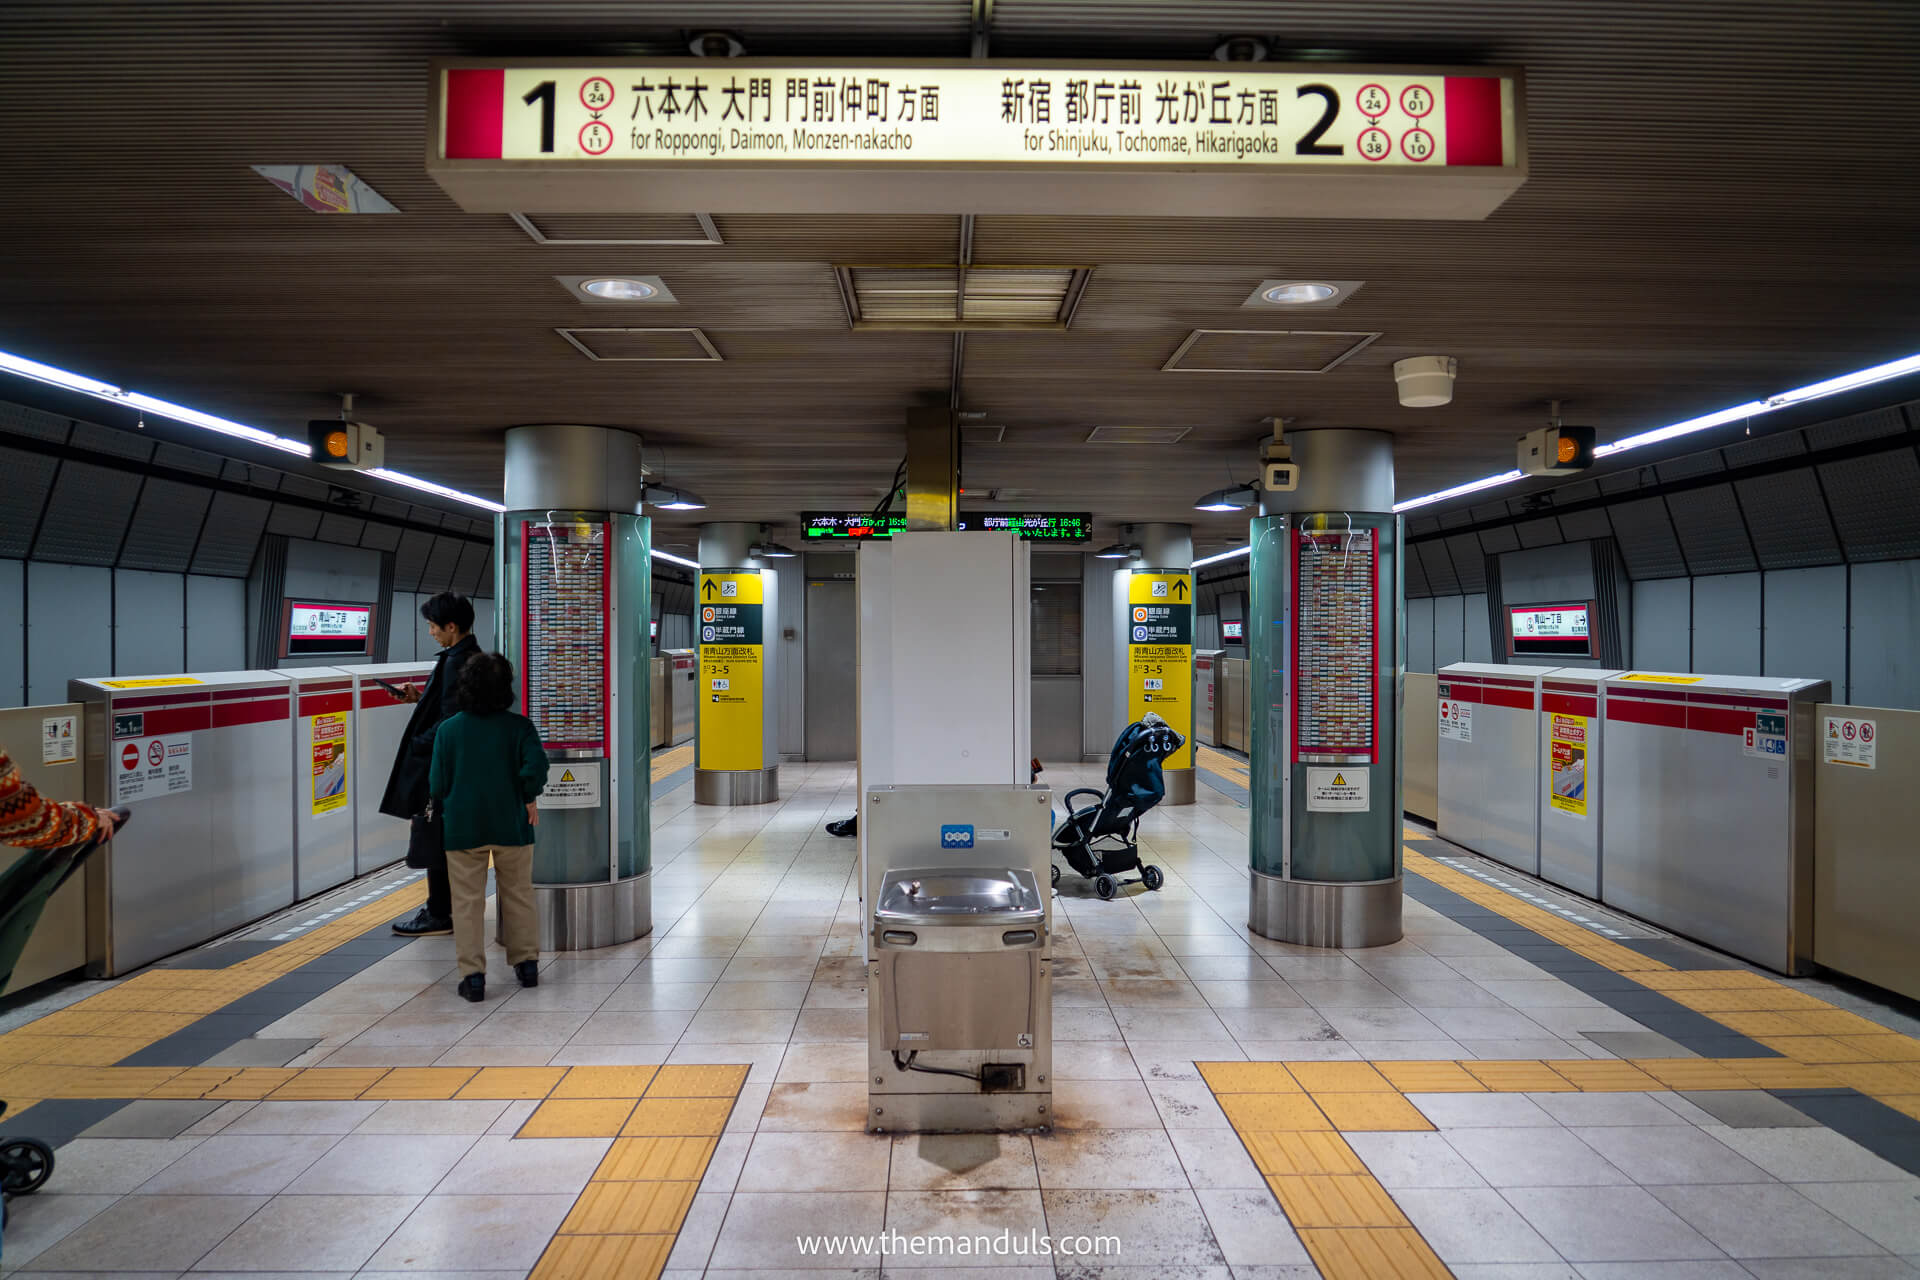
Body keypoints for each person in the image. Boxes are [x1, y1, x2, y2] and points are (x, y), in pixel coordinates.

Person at [427, 651, 548, 1002]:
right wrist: (529, 796)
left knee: (467, 903)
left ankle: (473, 978)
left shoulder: (449, 730)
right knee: (519, 895)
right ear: (503, 689)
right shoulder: (519, 727)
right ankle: (526, 966)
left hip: (464, 828)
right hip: (512, 823)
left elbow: (436, 784)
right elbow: (536, 767)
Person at [379, 592, 481, 936]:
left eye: (433, 626)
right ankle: (443, 910)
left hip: (440, 766)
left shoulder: (457, 661)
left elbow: (454, 715)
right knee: (440, 837)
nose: (430, 632)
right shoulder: (466, 656)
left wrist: (419, 744)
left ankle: (439, 914)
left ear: (451, 626)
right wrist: (417, 696)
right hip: (452, 763)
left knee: (434, 836)